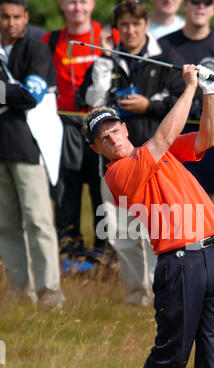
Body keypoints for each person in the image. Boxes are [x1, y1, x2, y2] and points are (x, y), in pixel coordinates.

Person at [82, 63, 214, 368]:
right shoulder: (118, 174)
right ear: (97, 149)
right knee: (173, 351)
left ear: (124, 128)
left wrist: (210, 91)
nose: (111, 138)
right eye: (102, 138)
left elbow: (207, 138)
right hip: (180, 262)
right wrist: (189, 88)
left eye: (114, 129)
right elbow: (164, 137)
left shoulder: (158, 150)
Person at [80, 0, 185, 306]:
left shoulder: (165, 56)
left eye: (136, 24)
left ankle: (159, 295)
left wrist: (147, 106)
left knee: (155, 233)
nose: (130, 30)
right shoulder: (106, 61)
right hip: (114, 167)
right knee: (121, 233)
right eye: (124, 24)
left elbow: (183, 102)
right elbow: (87, 103)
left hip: (153, 163)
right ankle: (136, 295)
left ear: (145, 24)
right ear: (117, 28)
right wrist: (102, 70)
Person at [42, 0, 118, 269]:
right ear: (62, 5)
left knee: (104, 191)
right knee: (66, 191)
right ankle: (69, 254)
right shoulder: (49, 41)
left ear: (92, 4)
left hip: (103, 126)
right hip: (65, 126)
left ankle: (106, 254)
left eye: (83, 1)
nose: (77, 7)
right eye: (71, 2)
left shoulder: (109, 36)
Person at [0, 0, 64, 307]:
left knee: (38, 222)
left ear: (26, 18)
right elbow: (18, 93)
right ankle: (19, 290)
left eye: (16, 17)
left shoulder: (37, 50)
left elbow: (30, 95)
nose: (11, 23)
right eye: (5, 17)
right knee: (6, 225)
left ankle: (49, 291)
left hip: (29, 147)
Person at [161, 0, 214, 200]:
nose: (201, 7)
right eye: (195, 2)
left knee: (205, 200)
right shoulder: (164, 45)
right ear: (184, 6)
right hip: (173, 133)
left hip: (211, 133)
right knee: (172, 199)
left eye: (207, 2)